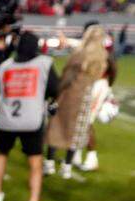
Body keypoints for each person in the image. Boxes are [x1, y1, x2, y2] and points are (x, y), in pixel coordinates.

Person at [0, 31, 58, 201]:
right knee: (35, 163)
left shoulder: (4, 66)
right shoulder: (44, 63)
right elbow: (55, 89)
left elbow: (1, 91)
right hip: (31, 119)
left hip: (6, 118)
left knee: (1, 154)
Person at [45, 25, 109, 178]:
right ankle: (67, 167)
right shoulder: (102, 56)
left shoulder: (80, 54)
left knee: (56, 127)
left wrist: (57, 94)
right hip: (86, 96)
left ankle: (49, 164)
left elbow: (67, 77)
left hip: (70, 94)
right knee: (76, 131)